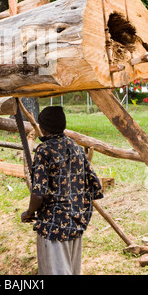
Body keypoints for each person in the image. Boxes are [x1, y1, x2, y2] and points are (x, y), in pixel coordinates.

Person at [21, 106, 104, 275]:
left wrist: (29, 212)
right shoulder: (75, 148)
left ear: (42, 128)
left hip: (55, 226)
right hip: (76, 220)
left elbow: (38, 193)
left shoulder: (44, 151)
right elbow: (95, 184)